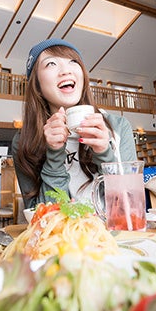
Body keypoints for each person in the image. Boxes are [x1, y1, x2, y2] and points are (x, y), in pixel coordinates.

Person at [12, 39, 136, 207]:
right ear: (37, 85)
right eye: (51, 64)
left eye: (73, 62)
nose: (66, 71)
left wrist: (104, 152)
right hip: (62, 233)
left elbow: (130, 205)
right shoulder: (24, 141)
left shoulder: (118, 126)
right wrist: (54, 154)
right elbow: (38, 215)